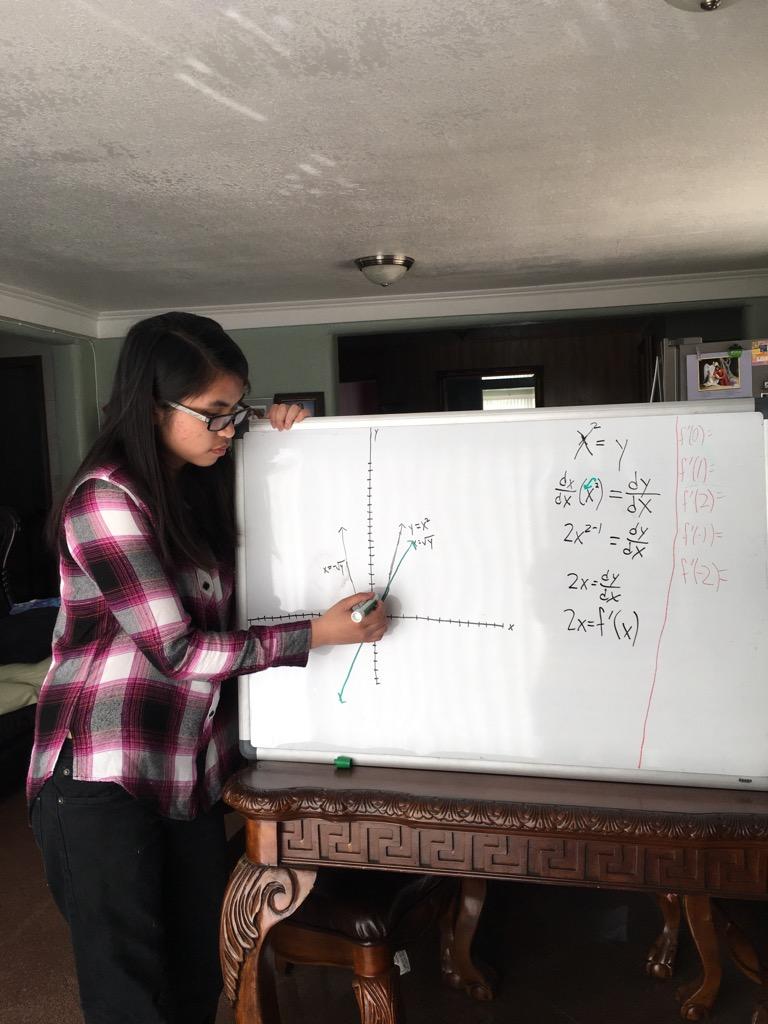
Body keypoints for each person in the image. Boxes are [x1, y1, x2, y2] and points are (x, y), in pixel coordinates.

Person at [26, 311, 387, 1024]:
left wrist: (287, 440)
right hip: (101, 772)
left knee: (198, 973)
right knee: (131, 994)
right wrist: (318, 633)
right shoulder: (106, 499)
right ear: (151, 405)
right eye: (216, 413)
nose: (230, 429)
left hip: (187, 769)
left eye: (239, 409)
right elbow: (180, 652)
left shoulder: (196, 480)